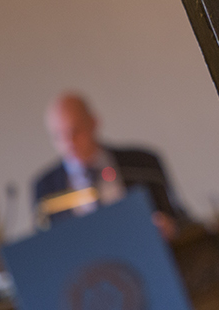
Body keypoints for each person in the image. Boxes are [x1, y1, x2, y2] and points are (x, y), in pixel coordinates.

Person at [33, 93, 189, 237]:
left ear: (93, 122)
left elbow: (180, 217)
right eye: (59, 136)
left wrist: (171, 227)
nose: (69, 142)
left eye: (75, 131)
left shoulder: (142, 164)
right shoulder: (46, 188)